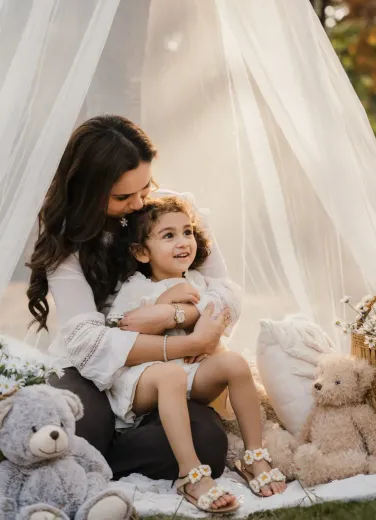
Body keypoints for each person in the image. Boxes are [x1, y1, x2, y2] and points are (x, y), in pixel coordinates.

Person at [26, 115, 230, 486]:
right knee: (79, 423)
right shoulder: (67, 243)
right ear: (88, 190)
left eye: (145, 187)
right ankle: (96, 451)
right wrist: (190, 342)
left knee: (209, 443)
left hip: (158, 373)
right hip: (89, 368)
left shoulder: (172, 211)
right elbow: (86, 342)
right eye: (123, 196)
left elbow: (226, 291)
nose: (139, 204)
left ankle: (98, 463)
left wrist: (175, 311)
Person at [104, 196, 286, 512]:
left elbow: (215, 322)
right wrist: (166, 302)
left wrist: (210, 346)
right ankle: (190, 474)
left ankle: (254, 454)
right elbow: (121, 335)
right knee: (172, 374)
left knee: (235, 363)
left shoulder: (199, 282)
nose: (183, 242)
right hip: (146, 379)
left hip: (190, 374)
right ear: (141, 252)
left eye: (187, 232)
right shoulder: (134, 287)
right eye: (169, 235)